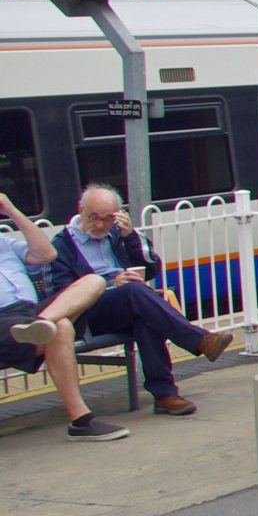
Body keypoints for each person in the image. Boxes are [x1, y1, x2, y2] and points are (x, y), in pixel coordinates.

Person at [48, 184, 232, 416]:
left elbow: (152, 267)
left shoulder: (118, 235)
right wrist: (111, 283)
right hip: (89, 312)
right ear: (81, 211)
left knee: (144, 315)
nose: (100, 225)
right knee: (135, 294)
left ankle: (165, 395)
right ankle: (200, 340)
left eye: (107, 219)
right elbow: (63, 291)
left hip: (126, 304)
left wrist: (131, 236)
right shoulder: (62, 244)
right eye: (94, 217)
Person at [2, 191, 129, 441]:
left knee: (92, 281)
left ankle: (42, 324)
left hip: (31, 314)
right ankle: (81, 420)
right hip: (2, 319)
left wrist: (11, 210)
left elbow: (46, 254)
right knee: (61, 328)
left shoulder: (4, 243)